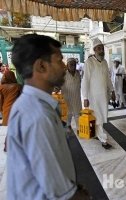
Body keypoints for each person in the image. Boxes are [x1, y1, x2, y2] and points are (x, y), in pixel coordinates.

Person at [7, 34, 90, 199]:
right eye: (59, 60)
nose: (64, 66)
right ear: (42, 66)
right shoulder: (37, 115)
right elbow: (61, 191)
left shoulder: (34, 105)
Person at [81, 38, 115, 149]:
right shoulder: (89, 62)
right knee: (99, 117)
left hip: (103, 96)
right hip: (93, 96)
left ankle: (97, 133)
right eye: (99, 48)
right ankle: (103, 139)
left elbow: (108, 78)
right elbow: (85, 80)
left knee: (100, 116)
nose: (102, 50)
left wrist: (112, 90)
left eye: (102, 48)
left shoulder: (105, 62)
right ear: (94, 50)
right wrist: (85, 96)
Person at [0, 71, 22, 152]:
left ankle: (8, 146)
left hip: (6, 110)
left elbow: (0, 101)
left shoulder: (1, 87)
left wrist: (2, 110)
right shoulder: (18, 86)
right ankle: (8, 146)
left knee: (12, 127)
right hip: (16, 109)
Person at [61, 58, 82, 133]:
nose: (73, 66)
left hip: (76, 97)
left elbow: (80, 83)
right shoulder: (63, 74)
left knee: (77, 113)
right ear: (67, 65)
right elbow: (59, 84)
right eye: (71, 64)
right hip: (67, 97)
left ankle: (79, 128)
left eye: (74, 64)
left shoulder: (78, 73)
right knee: (69, 113)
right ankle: (68, 125)